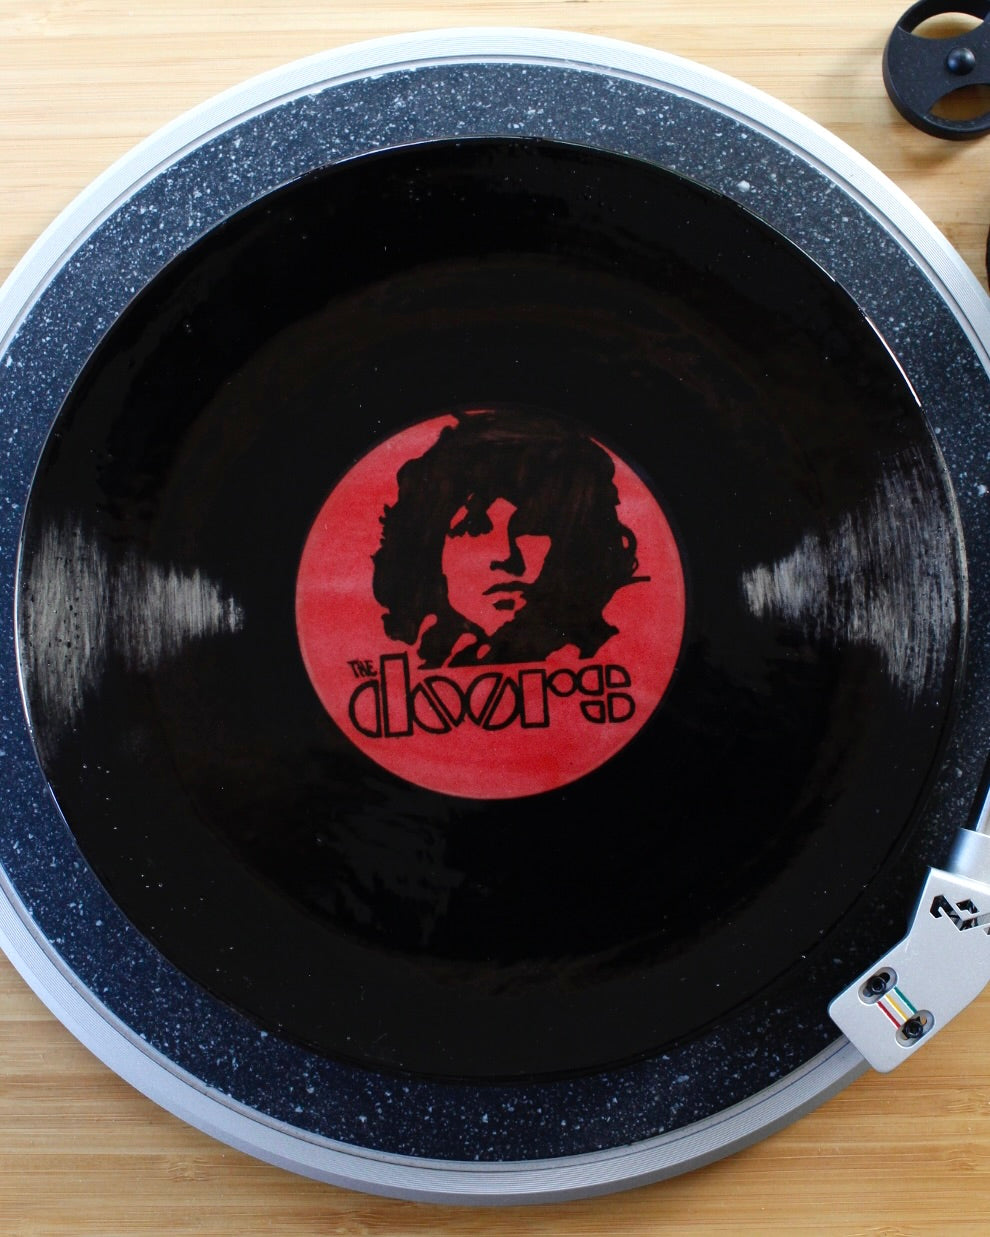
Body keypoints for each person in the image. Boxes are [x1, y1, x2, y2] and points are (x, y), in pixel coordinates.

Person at [372, 408, 643, 667]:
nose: (512, 560)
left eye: (537, 527)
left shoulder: (594, 653)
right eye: (477, 528)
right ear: (430, 538)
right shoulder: (427, 654)